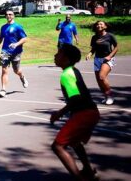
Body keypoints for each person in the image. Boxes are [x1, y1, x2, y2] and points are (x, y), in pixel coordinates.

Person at [51, 44, 100, 181]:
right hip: (91, 112)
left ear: (66, 59)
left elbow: (75, 99)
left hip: (84, 114)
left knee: (58, 146)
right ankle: (89, 171)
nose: (55, 56)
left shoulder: (66, 75)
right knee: (75, 142)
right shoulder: (73, 70)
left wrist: (59, 113)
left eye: (58, 53)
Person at [0, 10, 29, 97]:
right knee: (4, 70)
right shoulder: (3, 27)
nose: (8, 16)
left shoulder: (18, 27)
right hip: (5, 51)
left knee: (16, 70)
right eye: (7, 14)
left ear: (13, 16)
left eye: (10, 14)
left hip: (16, 52)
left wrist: (16, 44)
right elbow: (1, 37)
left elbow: (24, 39)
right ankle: (3, 90)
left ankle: (22, 77)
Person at [86, 20, 118, 105]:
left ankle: (110, 96)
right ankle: (106, 96)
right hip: (97, 59)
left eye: (101, 24)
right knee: (99, 81)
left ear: (105, 26)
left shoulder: (110, 36)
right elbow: (93, 49)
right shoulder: (94, 37)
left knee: (102, 77)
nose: (99, 25)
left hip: (108, 59)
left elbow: (116, 47)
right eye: (97, 24)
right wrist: (89, 54)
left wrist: (110, 56)